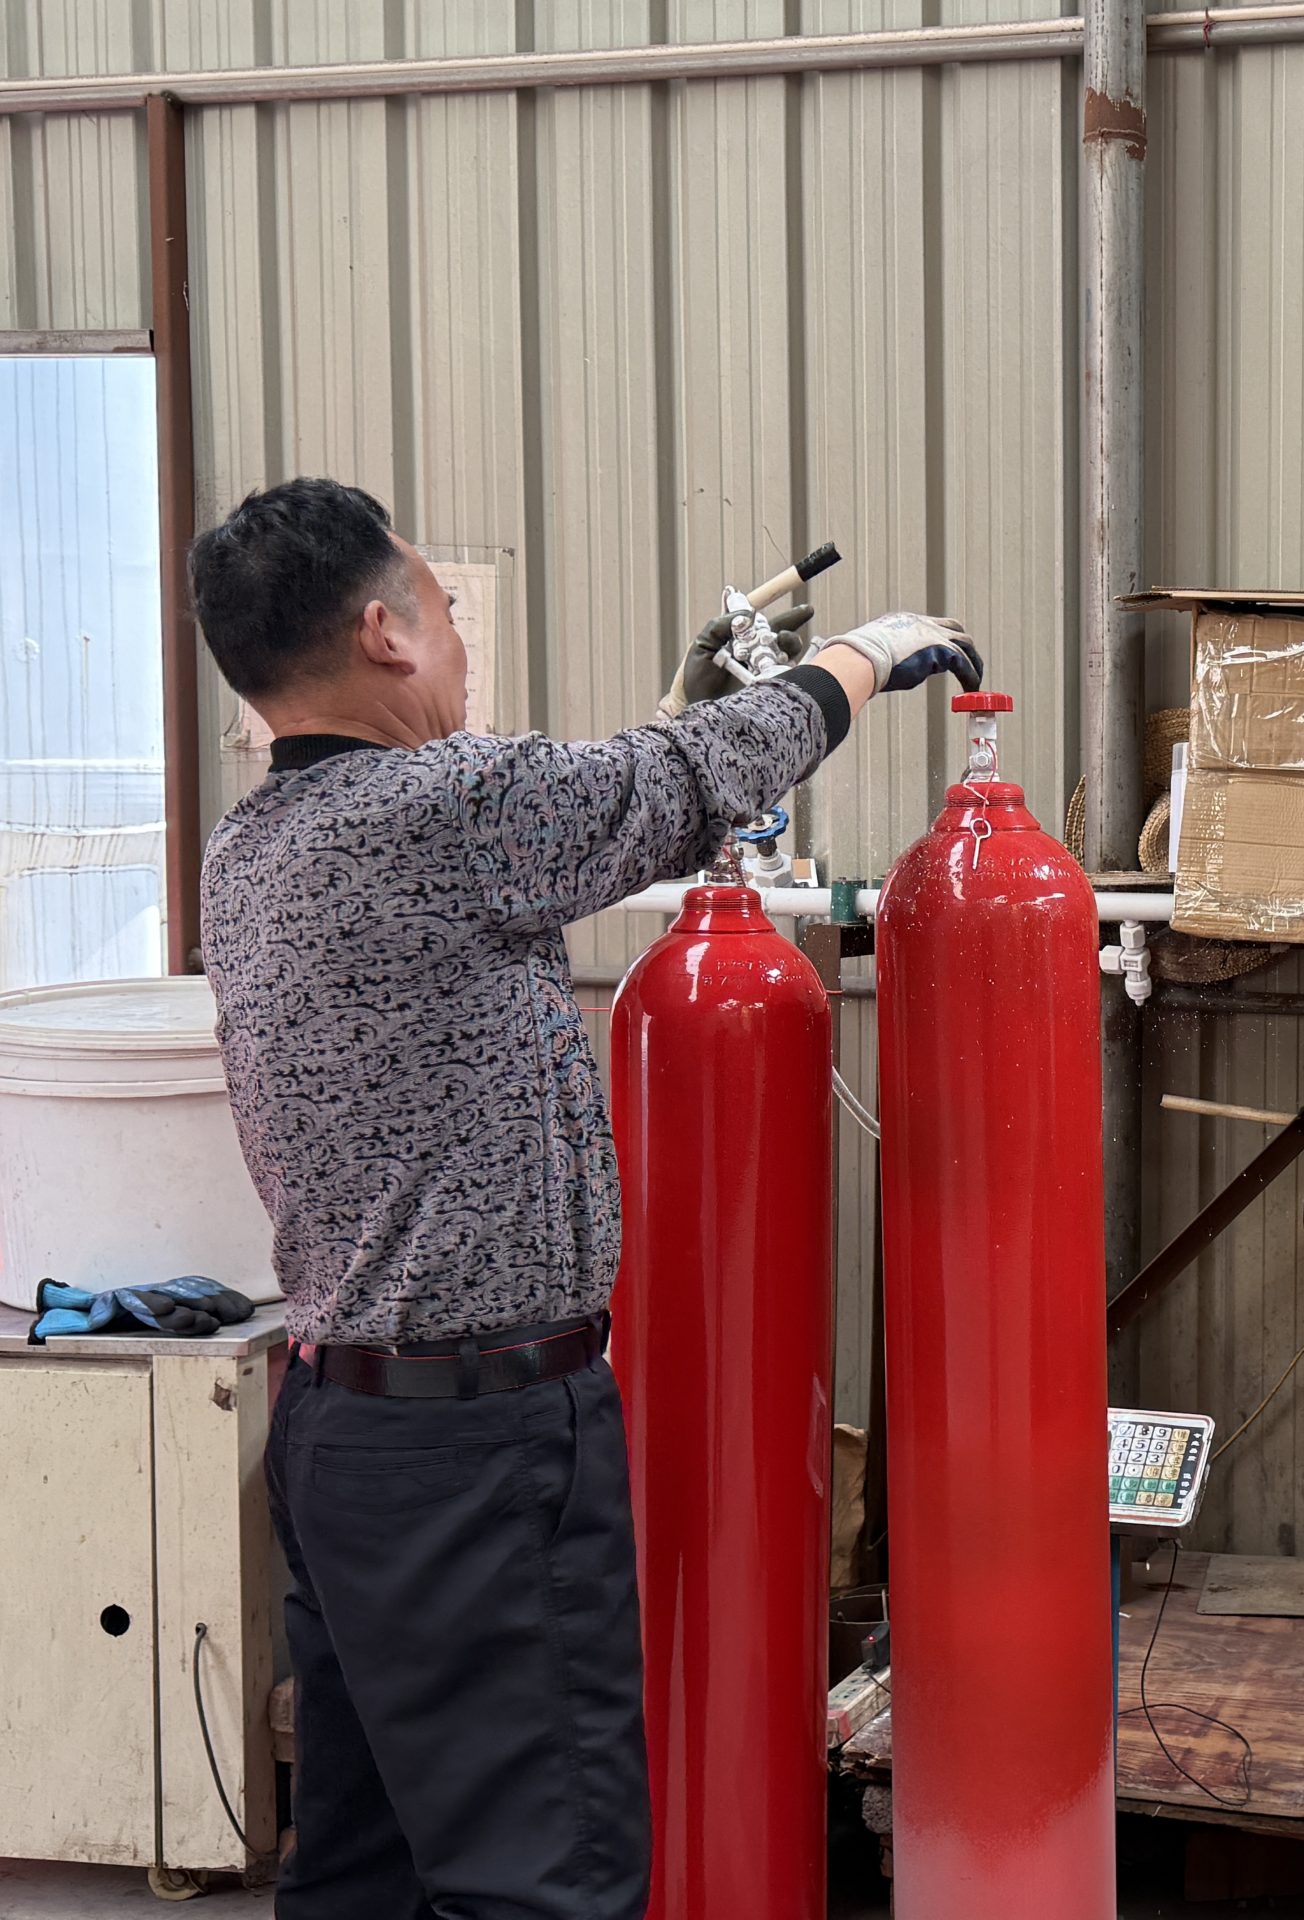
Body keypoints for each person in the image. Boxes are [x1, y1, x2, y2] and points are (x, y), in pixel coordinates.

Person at [188, 476, 978, 1919]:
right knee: (548, 1877)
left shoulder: (252, 851)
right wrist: (856, 662)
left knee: (362, 1870)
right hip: (478, 1448)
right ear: (383, 632)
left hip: (340, 1431)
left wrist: (671, 724)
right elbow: (660, 790)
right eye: (441, 609)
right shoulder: (443, 812)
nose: (456, 641)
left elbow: (562, 823)